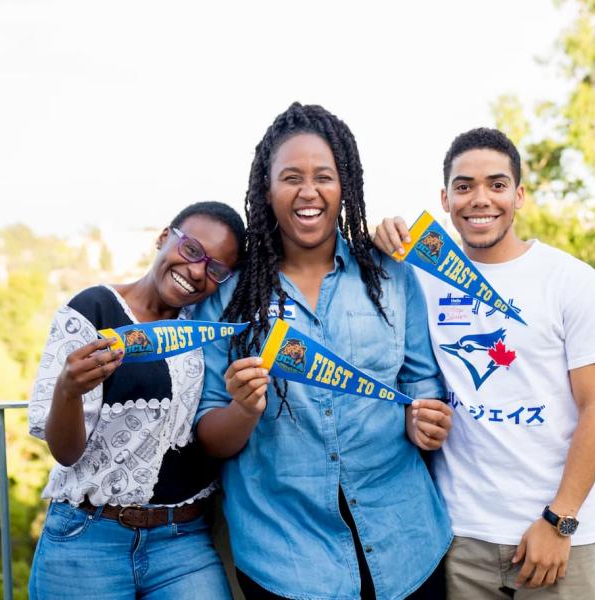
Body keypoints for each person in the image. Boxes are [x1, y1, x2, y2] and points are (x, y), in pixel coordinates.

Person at [194, 102, 454, 600]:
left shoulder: (392, 275)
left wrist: (425, 422)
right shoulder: (227, 298)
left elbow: (423, 391)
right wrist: (244, 409)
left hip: (406, 546)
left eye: (324, 177)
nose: (308, 191)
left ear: (345, 186)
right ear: (265, 190)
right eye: (291, 177)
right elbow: (211, 436)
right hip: (286, 560)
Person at [373, 128, 595, 599]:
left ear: (519, 194)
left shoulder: (571, 281)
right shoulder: (419, 278)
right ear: (445, 199)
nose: (480, 199)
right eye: (464, 186)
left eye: (496, 184)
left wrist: (560, 520)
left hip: (559, 537)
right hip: (460, 537)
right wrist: (377, 234)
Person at [27, 201, 245, 599]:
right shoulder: (93, 310)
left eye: (215, 269)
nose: (197, 271)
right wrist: (67, 390)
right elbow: (66, 452)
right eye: (191, 250)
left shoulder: (207, 329)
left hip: (183, 543)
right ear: (164, 238)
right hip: (88, 540)